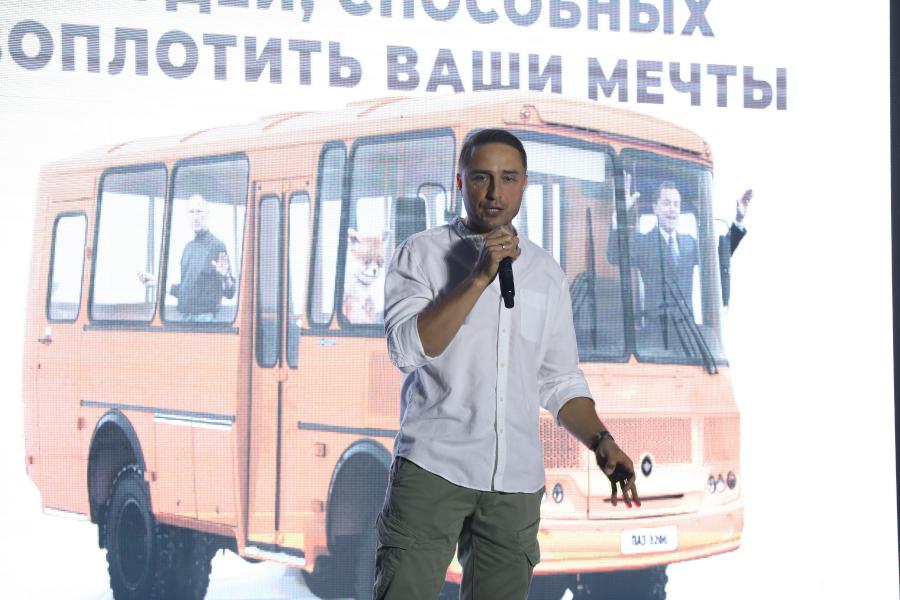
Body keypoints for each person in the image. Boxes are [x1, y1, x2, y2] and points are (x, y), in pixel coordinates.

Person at [378, 129, 639, 600]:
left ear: (524, 184)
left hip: (515, 483)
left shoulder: (546, 272)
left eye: (509, 178)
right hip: (433, 468)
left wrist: (602, 441)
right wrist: (479, 277)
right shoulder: (420, 254)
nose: (495, 192)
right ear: (460, 182)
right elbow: (406, 349)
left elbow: (559, 380)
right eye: (481, 177)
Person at [607, 179, 751, 332]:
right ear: (655, 208)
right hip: (657, 333)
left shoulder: (689, 242)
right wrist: (618, 215)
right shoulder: (643, 242)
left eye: (676, 204)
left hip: (687, 334)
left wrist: (738, 221)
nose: (672, 209)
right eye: (666, 203)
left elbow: (718, 257)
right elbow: (614, 255)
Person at [138, 193, 235, 322]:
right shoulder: (187, 249)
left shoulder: (217, 246)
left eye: (199, 212)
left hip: (205, 321)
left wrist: (226, 276)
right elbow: (184, 291)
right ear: (187, 216)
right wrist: (157, 282)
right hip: (184, 319)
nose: (195, 217)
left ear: (207, 214)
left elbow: (230, 293)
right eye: (191, 212)